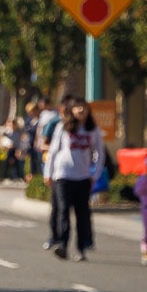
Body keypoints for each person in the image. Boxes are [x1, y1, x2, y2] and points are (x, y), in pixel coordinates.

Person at [44, 97, 103, 261]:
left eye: (84, 107)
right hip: (63, 175)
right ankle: (62, 244)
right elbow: (54, 151)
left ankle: (81, 248)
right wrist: (48, 173)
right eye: (78, 108)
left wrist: (95, 175)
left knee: (82, 213)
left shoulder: (93, 130)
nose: (81, 111)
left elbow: (100, 153)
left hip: (83, 177)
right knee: (63, 210)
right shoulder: (63, 127)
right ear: (72, 110)